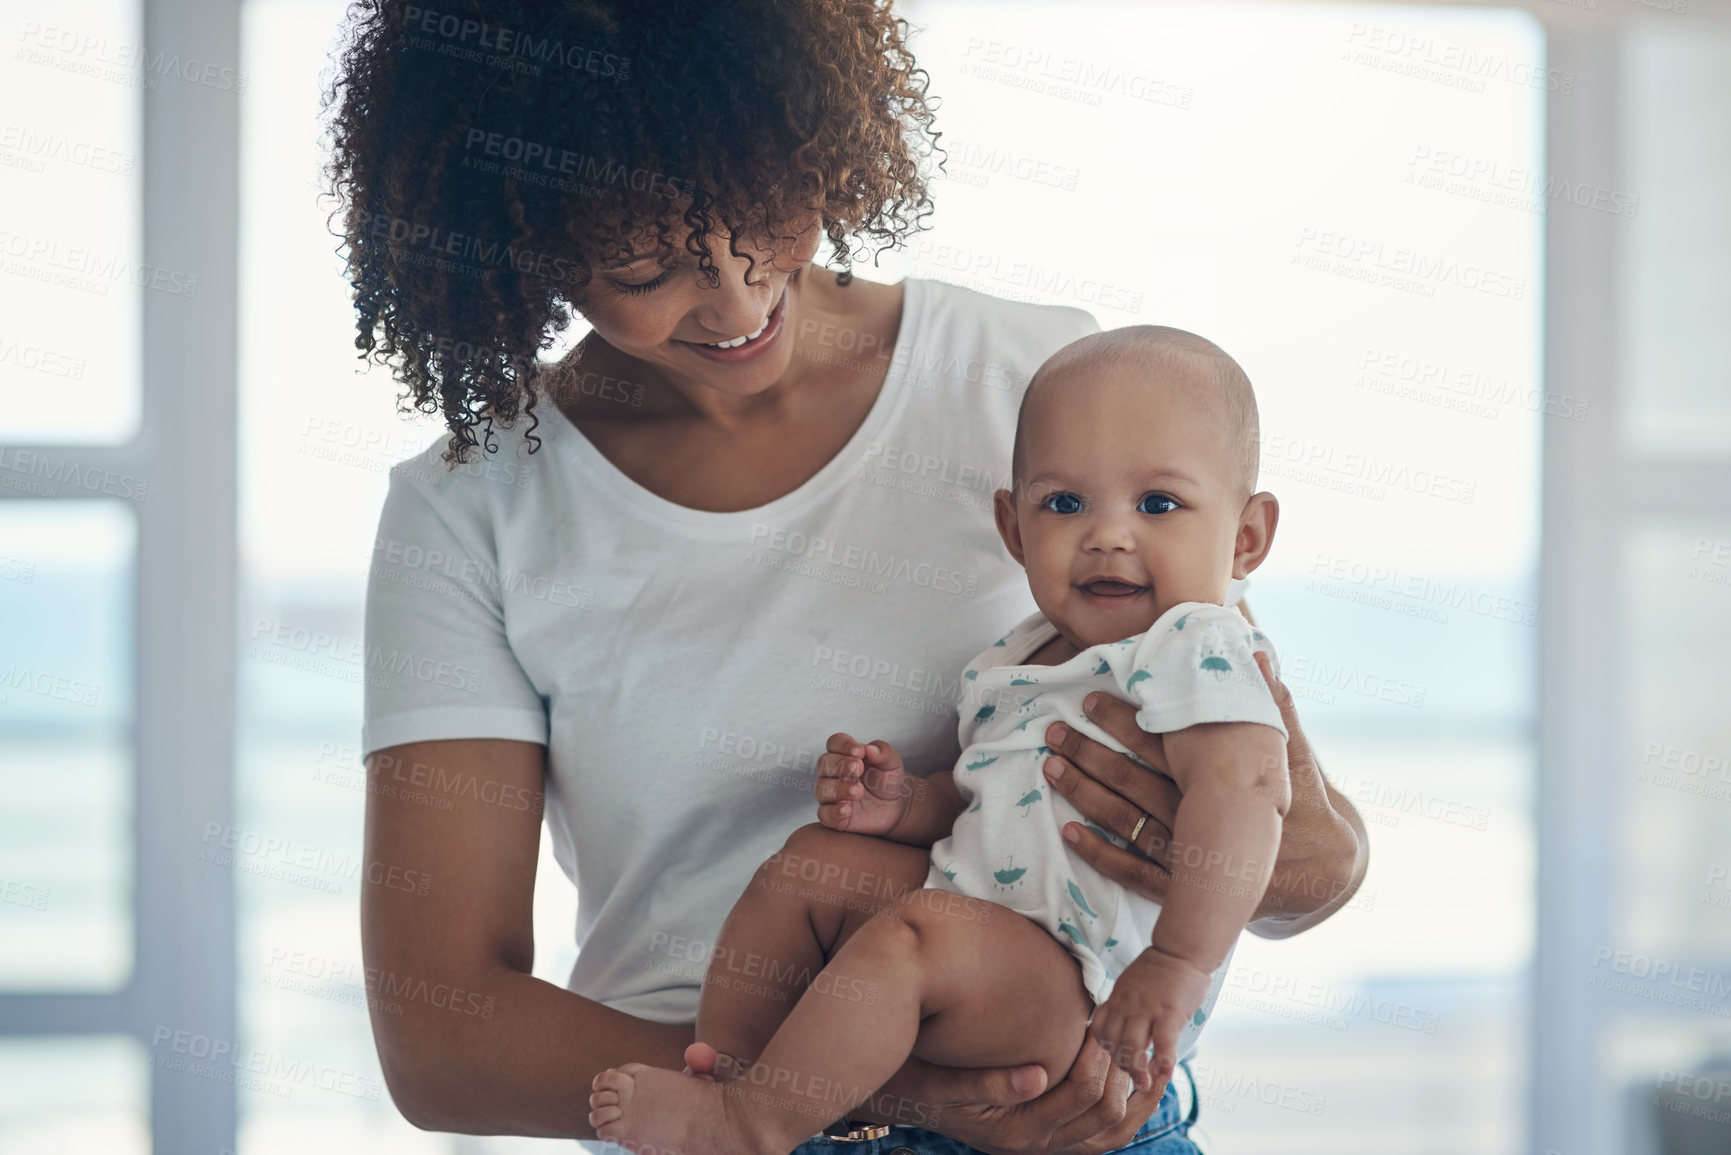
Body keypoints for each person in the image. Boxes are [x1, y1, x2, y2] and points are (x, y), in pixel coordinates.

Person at [334, 2, 1369, 1152]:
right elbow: (443, 1042)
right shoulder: (470, 507)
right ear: (519, 241)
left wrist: (1181, 865)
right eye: (645, 267)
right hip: (708, 1111)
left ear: (808, 130)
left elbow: (1317, 857)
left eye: (763, 212)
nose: (736, 301)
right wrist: (891, 1097)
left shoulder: (1047, 390)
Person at [586, 327, 1293, 1155]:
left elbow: (1247, 796)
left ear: (1244, 538)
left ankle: (750, 1127)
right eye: (1064, 503)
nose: (1108, 534)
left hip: (1086, 988)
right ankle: (731, 1071)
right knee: (812, 865)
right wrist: (908, 804)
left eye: (1157, 504)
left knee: (915, 934)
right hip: (998, 935)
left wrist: (1176, 962)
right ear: (1013, 525)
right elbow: (993, 800)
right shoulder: (1021, 655)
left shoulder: (1195, 643)